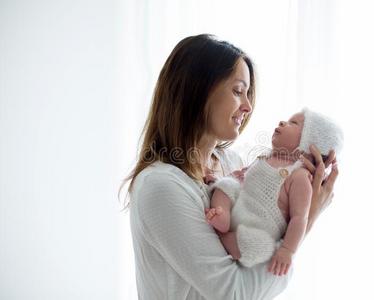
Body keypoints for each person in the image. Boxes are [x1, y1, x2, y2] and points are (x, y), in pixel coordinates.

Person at [122, 34, 339, 300]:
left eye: (248, 94)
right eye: (238, 91)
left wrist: (304, 183)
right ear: (197, 90)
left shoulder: (234, 165)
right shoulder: (161, 187)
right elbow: (235, 293)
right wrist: (308, 219)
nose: (248, 106)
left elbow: (265, 233)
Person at [204, 108, 343, 275]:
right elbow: (241, 176)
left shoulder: (299, 176)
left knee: (261, 247)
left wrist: (287, 250)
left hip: (255, 228)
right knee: (227, 184)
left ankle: (223, 238)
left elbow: (300, 217)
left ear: (309, 143)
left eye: (293, 123)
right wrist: (222, 179)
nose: (282, 122)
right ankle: (222, 216)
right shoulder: (266, 157)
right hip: (239, 206)